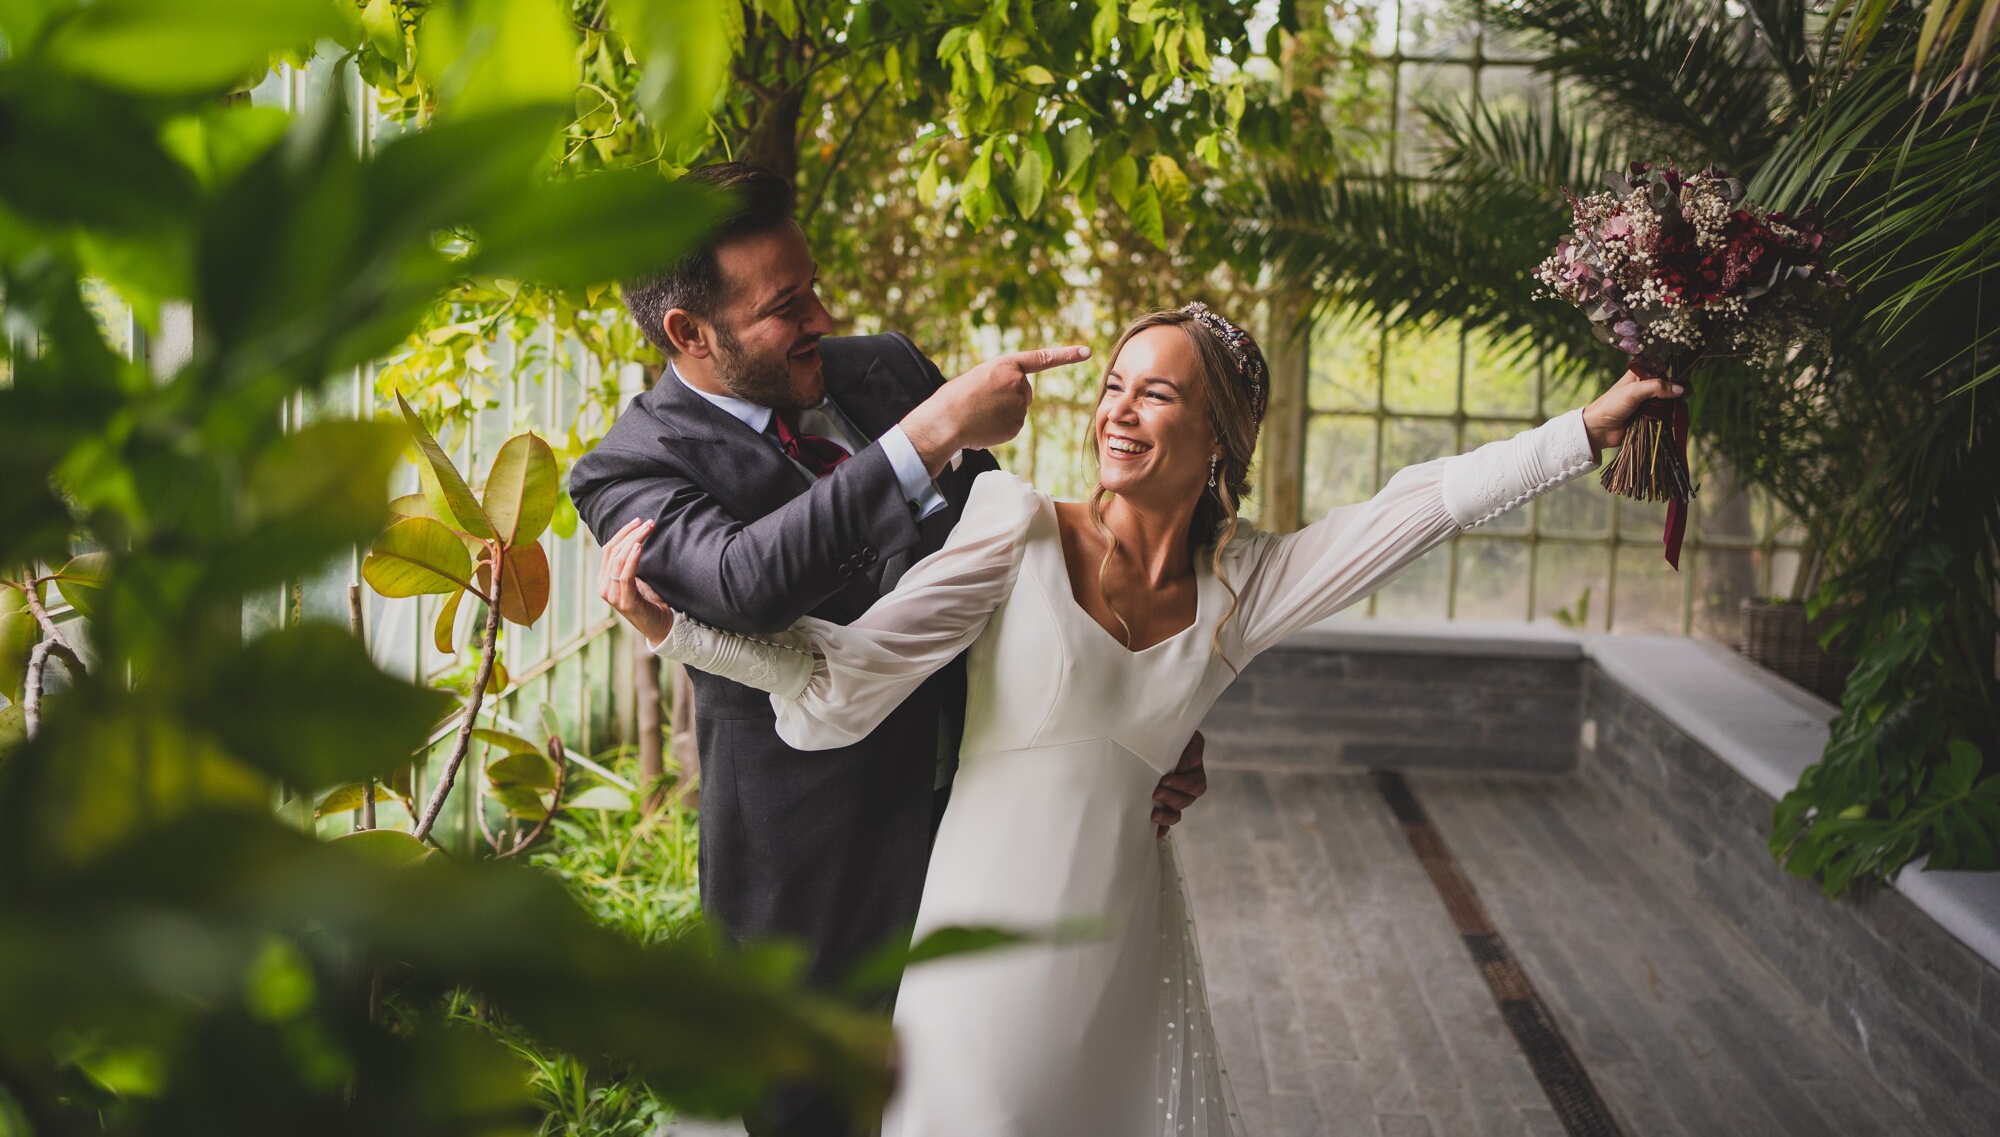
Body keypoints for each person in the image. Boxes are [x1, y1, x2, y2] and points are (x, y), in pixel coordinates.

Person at [597, 301, 1684, 1137]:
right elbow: (842, 680)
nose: (1117, 408)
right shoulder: (1008, 521)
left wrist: (1586, 427)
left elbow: (1417, 508)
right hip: (974, 943)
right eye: (1114, 385)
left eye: (1155, 394)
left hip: (1116, 938)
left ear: (1218, 434)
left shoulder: (1241, 586)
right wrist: (677, 632)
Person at [566, 164, 1210, 1137]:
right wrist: (930, 432)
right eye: (787, 306)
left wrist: (1154, 713)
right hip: (815, 880)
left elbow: (1028, 571)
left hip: (1001, 834)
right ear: (688, 335)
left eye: (814, 285)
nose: (822, 314)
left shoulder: (885, 370)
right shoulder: (629, 469)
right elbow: (745, 584)